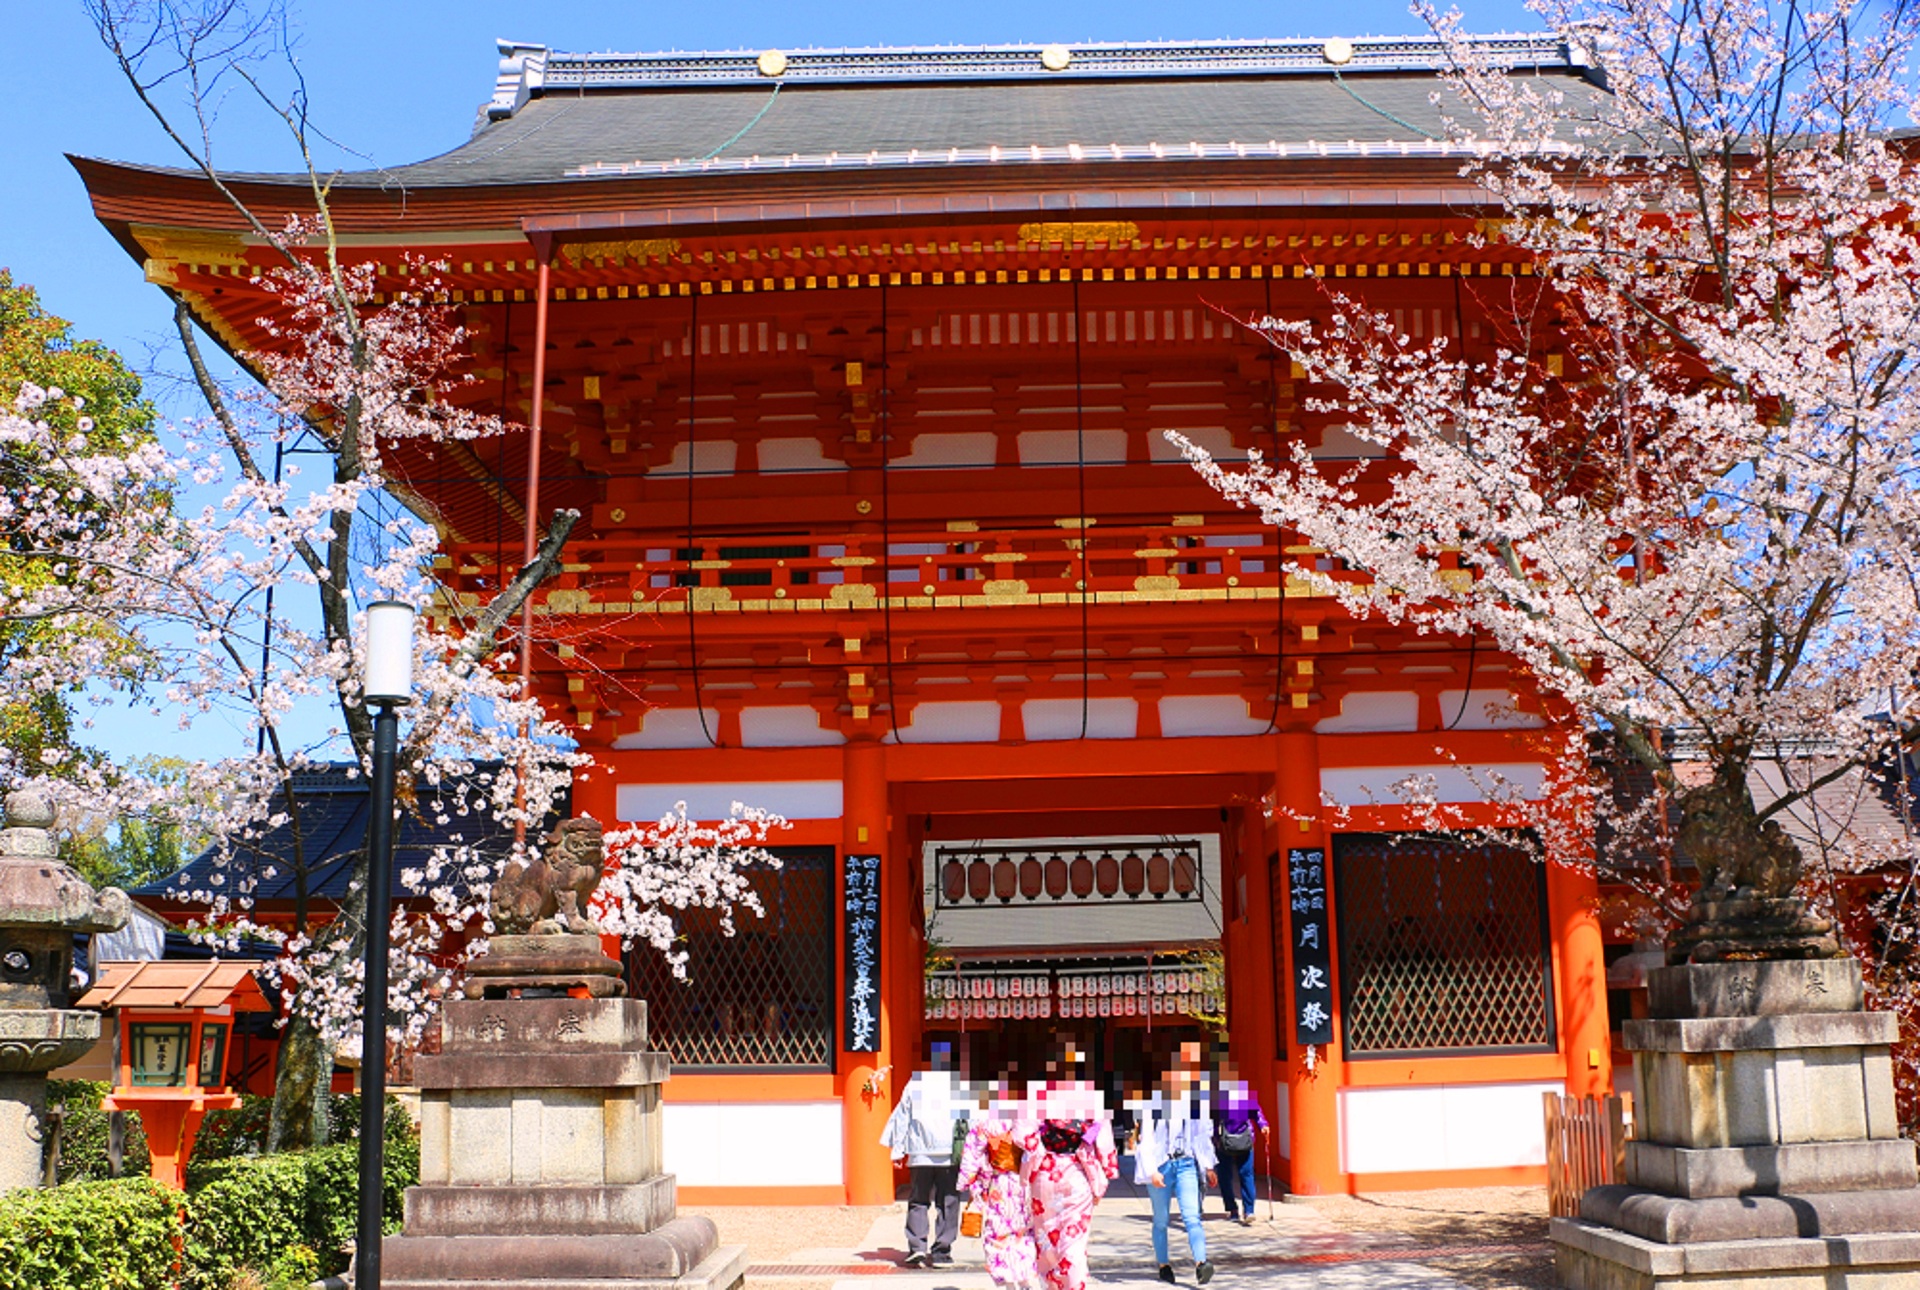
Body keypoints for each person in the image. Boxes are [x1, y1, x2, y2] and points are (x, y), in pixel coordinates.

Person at [1020, 1074, 1118, 1290]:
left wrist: (1041, 1145)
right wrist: (1106, 1167)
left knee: (1046, 1236)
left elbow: (1023, 1133)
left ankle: (1053, 1284)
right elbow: (1102, 1131)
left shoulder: (1036, 1090)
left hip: (1044, 1171)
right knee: (1074, 1240)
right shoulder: (1089, 1092)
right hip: (1077, 1170)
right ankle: (1074, 1285)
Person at [1134, 1042, 1216, 1284]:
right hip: (1161, 1166)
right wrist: (1151, 1171)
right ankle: (1164, 1264)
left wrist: (1209, 1165)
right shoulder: (1153, 1106)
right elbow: (1145, 1140)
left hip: (1187, 1163)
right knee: (1161, 1220)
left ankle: (1202, 1262)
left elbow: (1203, 1135)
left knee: (1192, 1216)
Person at [881, 1043, 966, 1267]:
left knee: (918, 1200)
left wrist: (898, 1149)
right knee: (948, 1200)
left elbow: (902, 1117)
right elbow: (971, 1121)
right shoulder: (960, 1085)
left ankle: (917, 1247)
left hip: (920, 1152)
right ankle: (942, 1251)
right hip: (949, 1152)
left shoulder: (915, 1084)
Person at [958, 1075, 1038, 1290]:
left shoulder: (986, 1122)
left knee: (998, 1232)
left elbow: (972, 1154)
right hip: (1025, 1182)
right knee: (1024, 1231)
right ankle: (1026, 1278)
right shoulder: (1030, 1119)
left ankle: (1009, 1282)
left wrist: (972, 1184)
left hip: (998, 1183)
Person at [1213, 1066, 1269, 1226]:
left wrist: (1263, 1125)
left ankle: (1248, 1209)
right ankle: (1233, 1208)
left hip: (1241, 1140)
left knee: (1244, 1174)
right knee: (1228, 1176)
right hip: (1225, 1142)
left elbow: (1257, 1113)